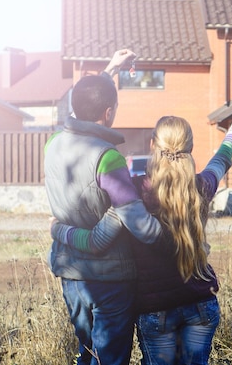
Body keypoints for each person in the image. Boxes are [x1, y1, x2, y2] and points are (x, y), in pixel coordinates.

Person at [51, 92, 232, 365]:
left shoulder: (134, 191)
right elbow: (223, 157)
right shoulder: (200, 188)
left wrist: (59, 230)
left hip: (155, 310)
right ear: (190, 147)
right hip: (201, 305)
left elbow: (98, 236)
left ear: (152, 144)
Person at [44, 49, 163, 365]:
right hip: (108, 280)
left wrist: (109, 68)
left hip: (70, 273)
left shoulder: (53, 143)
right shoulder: (107, 157)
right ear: (109, 112)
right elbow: (142, 227)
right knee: (110, 359)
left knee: (87, 354)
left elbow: (78, 106)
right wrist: (178, 233)